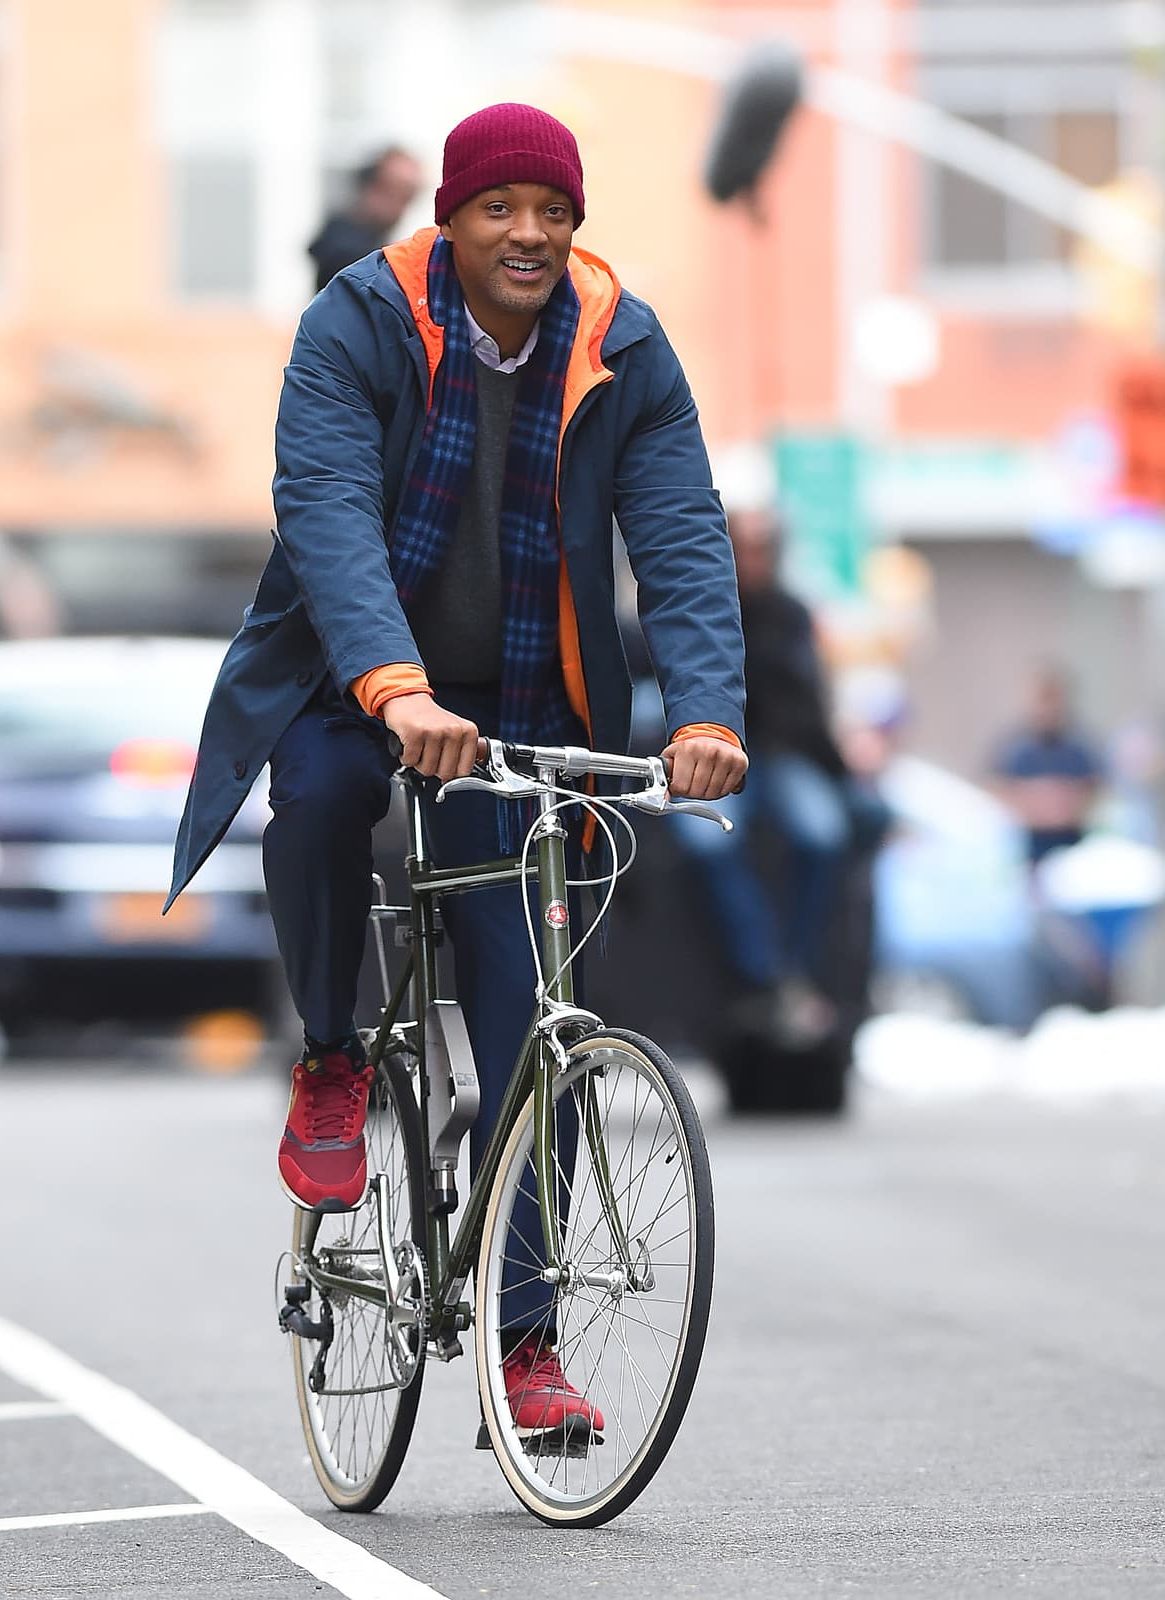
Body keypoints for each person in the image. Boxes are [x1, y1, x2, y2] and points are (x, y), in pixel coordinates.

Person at [168, 103, 748, 1441]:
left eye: (553, 213)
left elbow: (679, 533)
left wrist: (707, 712)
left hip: (526, 698)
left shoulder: (628, 349)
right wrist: (393, 685)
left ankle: (525, 1346)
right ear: (451, 217)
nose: (529, 234)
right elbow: (322, 511)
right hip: (352, 667)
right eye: (501, 209)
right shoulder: (359, 324)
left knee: (531, 1014)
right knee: (317, 799)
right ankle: (330, 1055)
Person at [670, 508, 857, 1044]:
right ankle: (762, 971)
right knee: (708, 842)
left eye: (763, 548)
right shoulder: (701, 604)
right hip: (711, 750)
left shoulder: (789, 613)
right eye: (745, 547)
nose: (755, 559)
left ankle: (791, 969)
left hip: (777, 752)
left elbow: (804, 700)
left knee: (825, 834)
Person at [991, 667, 1102, 865]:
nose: (1048, 707)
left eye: (1053, 697)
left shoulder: (1080, 744)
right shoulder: (1015, 745)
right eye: (1042, 698)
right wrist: (1034, 803)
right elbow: (998, 786)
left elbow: (1095, 787)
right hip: (1030, 843)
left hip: (1072, 839)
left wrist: (1065, 802)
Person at [306, 145, 422, 295]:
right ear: (372, 186)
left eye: (409, 195)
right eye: (395, 191)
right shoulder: (348, 252)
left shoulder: (371, 243)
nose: (400, 204)